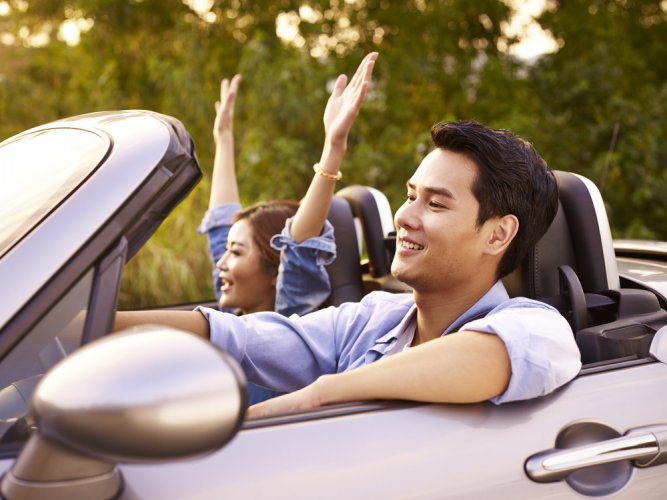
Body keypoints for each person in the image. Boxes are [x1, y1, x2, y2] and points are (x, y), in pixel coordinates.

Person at [116, 58, 581, 419]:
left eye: (435, 204)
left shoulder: (538, 328)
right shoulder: (373, 320)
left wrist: (318, 396)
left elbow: (490, 353)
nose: (405, 216)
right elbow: (237, 334)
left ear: (498, 234)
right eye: (410, 196)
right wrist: (88, 321)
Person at [195, 53, 378, 404]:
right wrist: (224, 140)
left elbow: (299, 245)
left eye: (235, 252)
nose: (221, 261)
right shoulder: (233, 316)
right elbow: (222, 222)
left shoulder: (293, 327)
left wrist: (333, 147)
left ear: (274, 271)